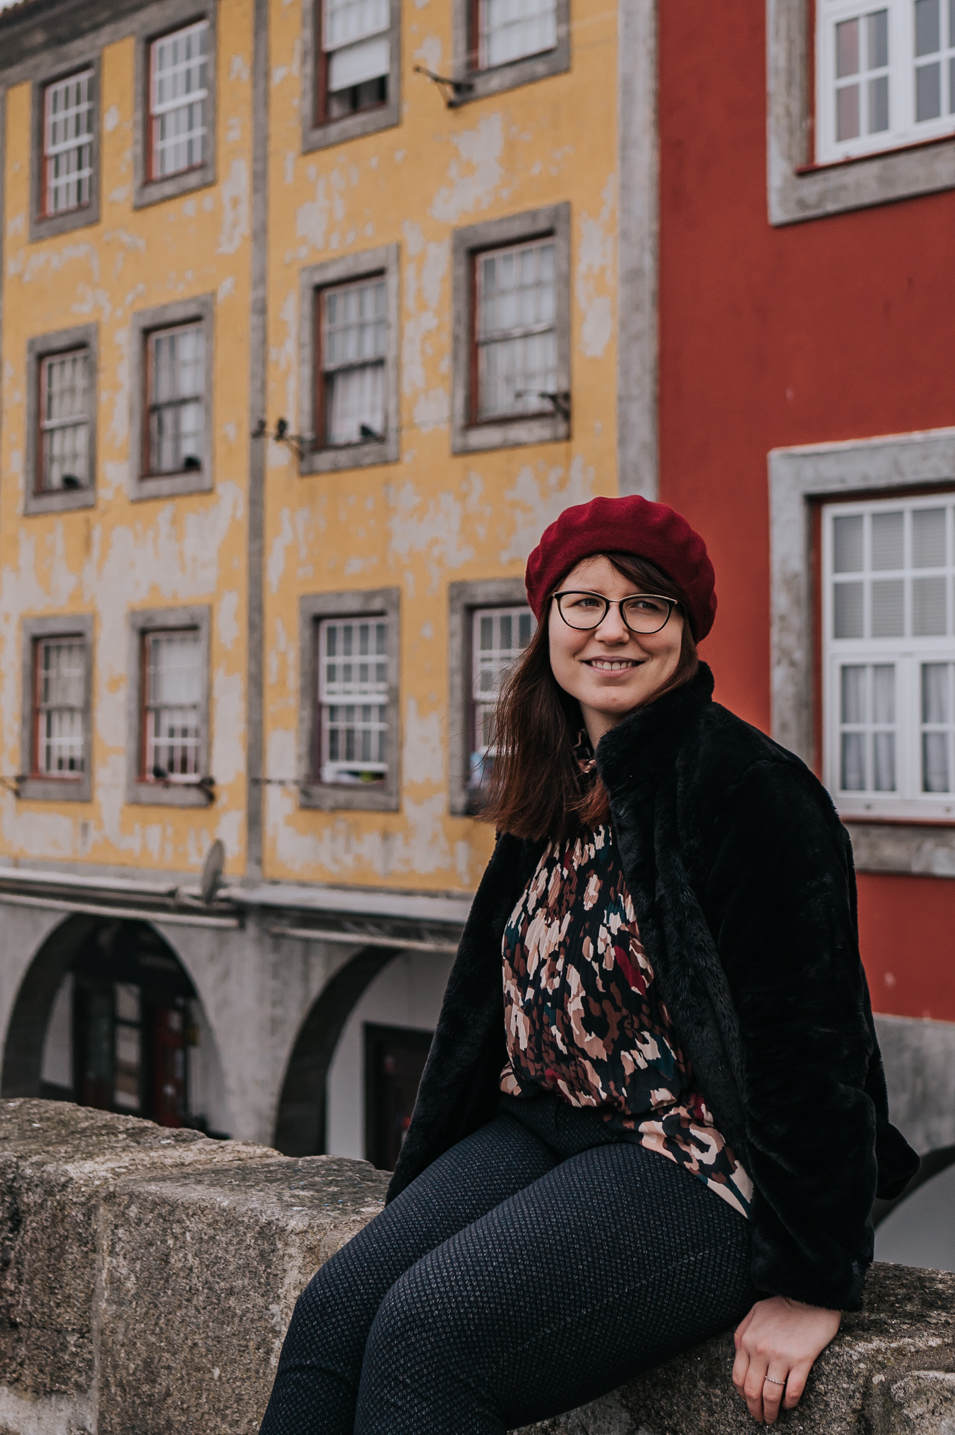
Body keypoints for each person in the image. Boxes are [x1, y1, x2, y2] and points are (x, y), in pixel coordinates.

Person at [258, 495, 918, 1434]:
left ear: (684, 631)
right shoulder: (562, 779)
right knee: (336, 1308)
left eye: (645, 606)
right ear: (549, 623)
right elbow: (480, 1009)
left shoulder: (748, 789)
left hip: (692, 1159)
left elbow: (813, 1043)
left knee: (429, 1337)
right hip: (543, 1128)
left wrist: (813, 1280)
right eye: (584, 603)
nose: (612, 629)